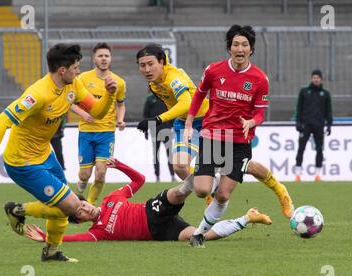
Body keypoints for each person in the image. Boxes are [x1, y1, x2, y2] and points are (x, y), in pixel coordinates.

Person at [0, 43, 118, 262]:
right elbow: (0, 121)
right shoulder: (38, 94)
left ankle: (51, 251)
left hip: (45, 155)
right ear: (62, 70)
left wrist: (108, 95)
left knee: (63, 206)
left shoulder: (74, 85)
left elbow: (97, 111)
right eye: (75, 67)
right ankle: (17, 211)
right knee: (70, 205)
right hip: (22, 162)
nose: (78, 71)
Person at [184, 25, 294, 248]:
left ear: (251, 49)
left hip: (239, 142)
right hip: (212, 135)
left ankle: (199, 235)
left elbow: (260, 111)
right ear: (229, 48)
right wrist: (188, 123)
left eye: (245, 45)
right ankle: (215, 184)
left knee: (223, 195)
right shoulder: (214, 71)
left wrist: (253, 121)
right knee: (202, 189)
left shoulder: (259, 79)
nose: (240, 48)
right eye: (236, 44)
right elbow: (198, 95)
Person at [22, 158, 272, 243]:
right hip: (159, 232)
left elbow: (139, 180)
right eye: (81, 212)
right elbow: (72, 239)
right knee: (200, 236)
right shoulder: (97, 233)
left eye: (83, 204)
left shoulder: (111, 199)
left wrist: (119, 165)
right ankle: (248, 217)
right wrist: (46, 238)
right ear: (81, 219)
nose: (86, 208)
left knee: (177, 193)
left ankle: (205, 174)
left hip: (150, 211)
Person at [136, 44, 209, 181]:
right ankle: (208, 192)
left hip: (207, 120)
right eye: (142, 65)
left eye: (151, 64)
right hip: (183, 124)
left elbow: (186, 103)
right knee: (180, 167)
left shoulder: (173, 78)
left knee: (230, 164)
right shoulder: (154, 84)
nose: (147, 69)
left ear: (162, 62)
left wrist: (157, 119)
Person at [70, 42, 127, 206]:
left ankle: (90, 204)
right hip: (86, 132)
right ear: (94, 59)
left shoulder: (119, 82)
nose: (104, 59)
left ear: (111, 59)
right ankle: (78, 193)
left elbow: (120, 104)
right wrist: (83, 114)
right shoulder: (82, 79)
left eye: (106, 56)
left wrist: (120, 119)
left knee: (101, 173)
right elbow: (69, 102)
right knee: (84, 175)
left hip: (107, 133)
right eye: (100, 56)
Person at [294, 69, 333, 182]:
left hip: (319, 126)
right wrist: (298, 122)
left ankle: (317, 175)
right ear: (311, 78)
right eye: (314, 78)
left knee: (319, 149)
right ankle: (298, 174)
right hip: (306, 125)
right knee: (301, 149)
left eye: (318, 78)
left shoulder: (325, 94)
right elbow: (299, 108)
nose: (316, 80)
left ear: (321, 79)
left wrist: (329, 124)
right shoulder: (304, 92)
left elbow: (328, 111)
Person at [143, 92, 175, 182]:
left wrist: (172, 127)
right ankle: (157, 176)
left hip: (166, 129)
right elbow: (146, 115)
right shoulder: (149, 98)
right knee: (155, 154)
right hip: (154, 130)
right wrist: (145, 130)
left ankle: (172, 175)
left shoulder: (166, 97)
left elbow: (172, 112)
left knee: (170, 154)